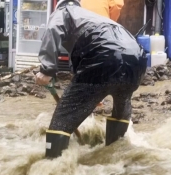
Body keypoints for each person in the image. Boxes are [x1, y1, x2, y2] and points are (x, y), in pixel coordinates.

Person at [34, 0, 147, 159]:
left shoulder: (64, 11)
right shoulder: (92, 17)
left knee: (63, 118)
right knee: (122, 103)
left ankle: (52, 166)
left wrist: (46, 70)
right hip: (136, 60)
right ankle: (116, 158)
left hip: (103, 58)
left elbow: (53, 29)